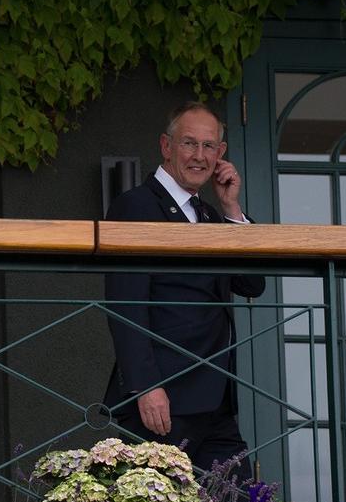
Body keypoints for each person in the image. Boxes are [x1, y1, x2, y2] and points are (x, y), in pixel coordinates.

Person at [103, 102, 265, 481]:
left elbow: (252, 283)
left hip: (216, 398)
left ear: (221, 154)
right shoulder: (136, 206)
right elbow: (125, 306)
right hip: (164, 398)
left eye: (209, 147)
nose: (199, 156)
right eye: (189, 144)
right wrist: (146, 387)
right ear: (166, 146)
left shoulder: (209, 213)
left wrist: (231, 209)